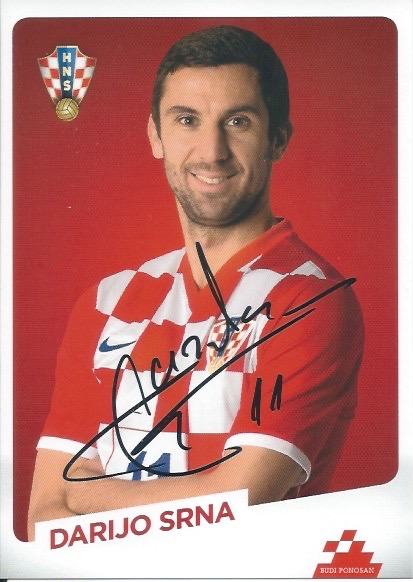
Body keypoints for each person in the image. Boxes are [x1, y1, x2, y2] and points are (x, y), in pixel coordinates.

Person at [28, 25, 363, 539]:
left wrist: (88, 495)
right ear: (155, 136)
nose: (212, 151)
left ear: (277, 138)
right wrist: (78, 499)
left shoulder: (308, 300)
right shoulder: (106, 301)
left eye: (238, 121)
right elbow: (45, 517)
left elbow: (238, 499)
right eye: (187, 120)